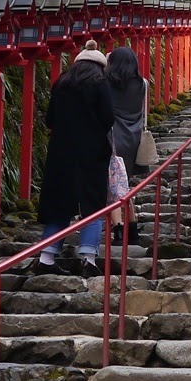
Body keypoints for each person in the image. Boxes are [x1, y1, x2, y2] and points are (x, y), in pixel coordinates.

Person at [29, 48, 113, 277]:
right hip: (92, 151)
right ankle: (88, 258)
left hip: (61, 151)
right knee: (92, 203)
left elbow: (50, 119)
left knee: (59, 202)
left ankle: (46, 255)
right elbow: (108, 117)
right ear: (99, 65)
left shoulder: (62, 84)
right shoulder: (100, 83)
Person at [105, 46, 152, 248]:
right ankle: (132, 229)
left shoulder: (106, 84)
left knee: (113, 186)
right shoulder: (142, 84)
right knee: (124, 187)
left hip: (112, 137)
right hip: (133, 139)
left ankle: (119, 230)